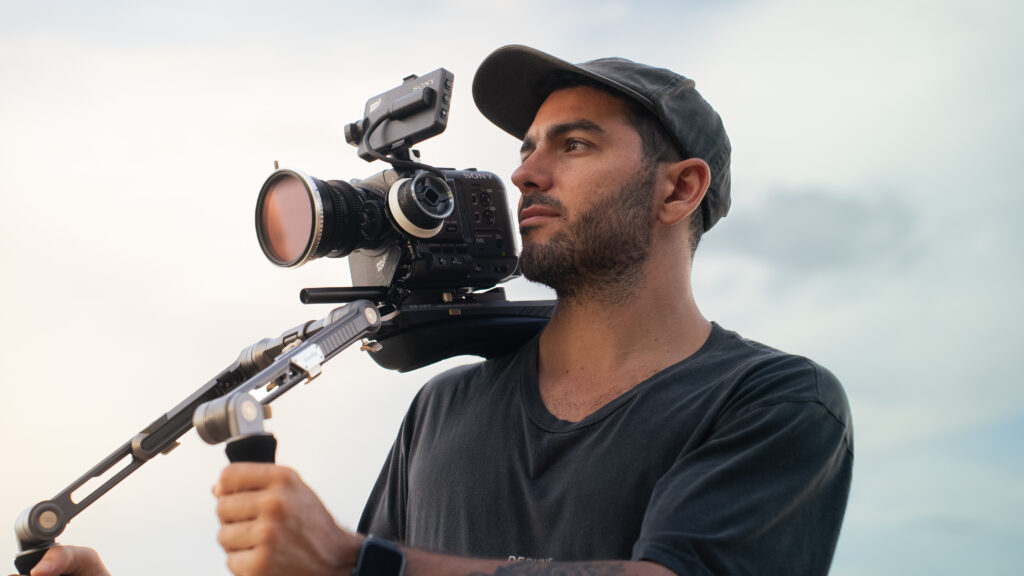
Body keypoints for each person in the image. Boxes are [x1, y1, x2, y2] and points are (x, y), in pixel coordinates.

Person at [19, 45, 852, 576]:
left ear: (680, 188)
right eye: (526, 147)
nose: (526, 173)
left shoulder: (773, 404)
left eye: (576, 144)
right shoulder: (444, 410)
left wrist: (359, 560)